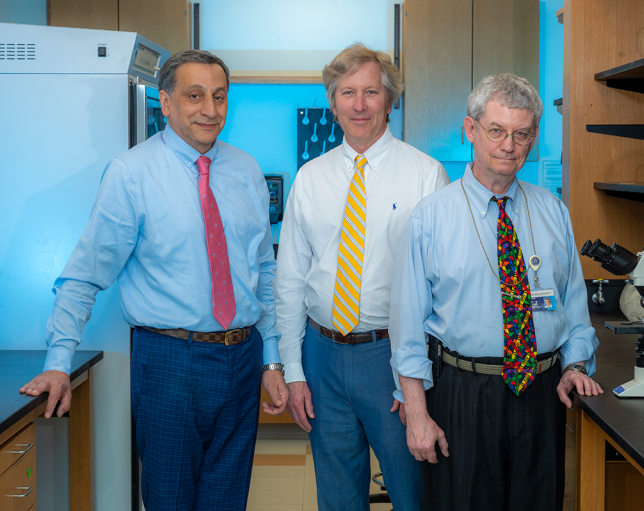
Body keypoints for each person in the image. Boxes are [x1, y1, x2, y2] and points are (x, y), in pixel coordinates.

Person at [19, 50, 289, 511]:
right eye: (194, 96)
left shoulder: (245, 170)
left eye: (219, 97)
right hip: (169, 361)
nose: (210, 109)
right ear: (165, 103)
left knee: (228, 498)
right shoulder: (131, 174)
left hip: (242, 358)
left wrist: (272, 360)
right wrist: (58, 361)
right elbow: (85, 274)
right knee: (170, 499)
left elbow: (264, 270)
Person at [390, 73, 604, 511]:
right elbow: (407, 329)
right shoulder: (431, 217)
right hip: (464, 395)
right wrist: (416, 413)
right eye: (497, 131)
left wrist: (574, 363)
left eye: (521, 134)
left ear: (533, 138)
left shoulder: (552, 211)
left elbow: (574, 309)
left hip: (542, 392)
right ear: (471, 130)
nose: (508, 145)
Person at [274, 43, 449, 510]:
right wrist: (293, 372)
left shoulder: (426, 176)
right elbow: (289, 279)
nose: (359, 104)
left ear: (389, 100)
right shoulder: (310, 178)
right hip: (321, 357)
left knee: (413, 493)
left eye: (371, 91)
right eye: (347, 93)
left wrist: (415, 377)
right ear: (332, 102)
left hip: (392, 357)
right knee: (336, 497)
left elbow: (441, 288)